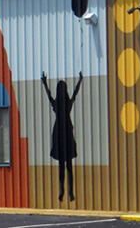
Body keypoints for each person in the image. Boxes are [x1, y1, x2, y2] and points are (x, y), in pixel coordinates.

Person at [41, 71, 82, 202]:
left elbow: (49, 96)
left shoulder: (56, 105)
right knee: (69, 167)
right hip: (67, 133)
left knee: (62, 167)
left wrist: (45, 83)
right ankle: (70, 192)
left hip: (59, 134)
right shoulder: (67, 104)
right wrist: (80, 80)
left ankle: (62, 192)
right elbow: (75, 93)